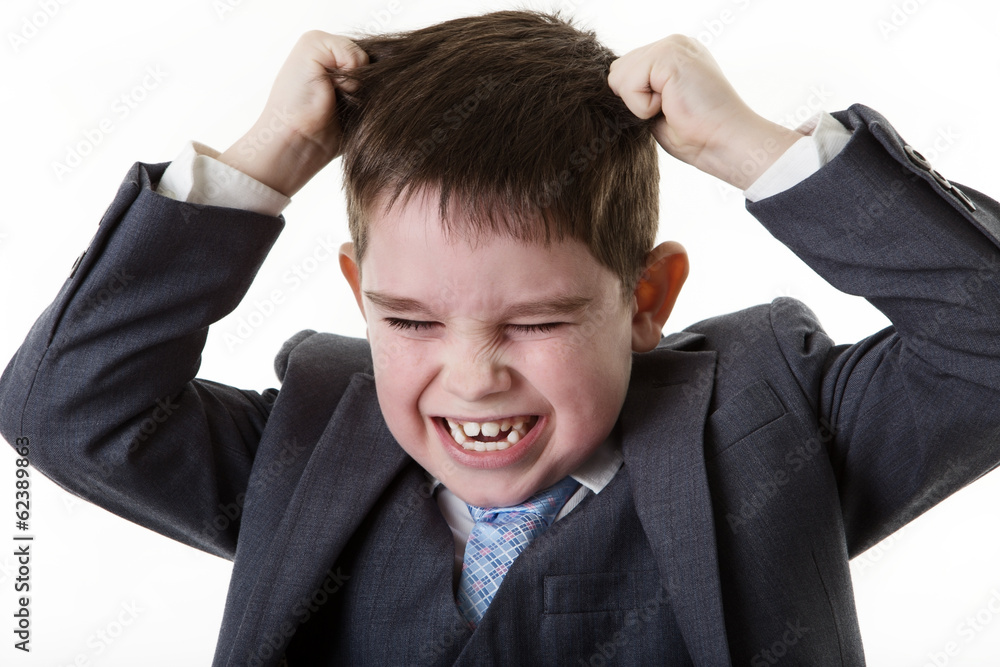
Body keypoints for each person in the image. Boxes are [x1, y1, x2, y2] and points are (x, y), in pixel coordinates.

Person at [3, 9, 999, 665]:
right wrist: (265, 162)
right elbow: (68, 407)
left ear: (647, 297)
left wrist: (754, 149)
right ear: (358, 296)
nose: (472, 378)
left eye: (537, 319)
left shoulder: (773, 431)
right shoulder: (304, 446)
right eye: (409, 319)